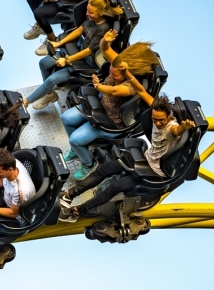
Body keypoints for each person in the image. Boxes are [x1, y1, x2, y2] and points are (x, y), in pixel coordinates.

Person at [59, 95, 195, 219]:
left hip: (153, 172)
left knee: (115, 187)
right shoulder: (156, 111)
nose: (158, 123)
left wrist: (185, 127)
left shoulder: (172, 127)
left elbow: (177, 131)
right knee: (104, 169)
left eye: (161, 120)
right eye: (155, 119)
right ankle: (69, 194)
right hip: (145, 157)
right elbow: (143, 92)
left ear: (169, 116)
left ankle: (78, 211)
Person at [60, 32, 160, 180]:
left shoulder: (131, 86)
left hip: (110, 122)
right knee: (66, 118)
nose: (111, 75)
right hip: (98, 107)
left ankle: (88, 163)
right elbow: (106, 51)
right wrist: (104, 42)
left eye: (115, 75)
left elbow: (114, 90)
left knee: (75, 139)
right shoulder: (118, 65)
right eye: (111, 72)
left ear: (127, 73)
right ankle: (78, 151)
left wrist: (98, 86)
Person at [21, 0, 123, 111]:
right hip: (79, 51)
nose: (87, 14)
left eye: (90, 12)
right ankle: (49, 94)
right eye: (87, 10)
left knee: (52, 80)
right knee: (43, 63)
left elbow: (88, 51)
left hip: (88, 62)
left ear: (101, 12)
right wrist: (59, 43)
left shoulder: (103, 28)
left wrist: (67, 60)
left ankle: (26, 101)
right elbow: (79, 30)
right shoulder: (92, 19)